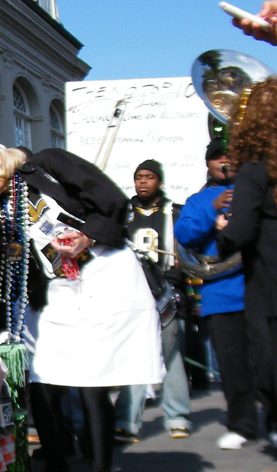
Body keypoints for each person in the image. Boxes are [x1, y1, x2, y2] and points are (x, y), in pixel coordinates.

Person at [0, 146, 162, 472]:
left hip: (100, 274)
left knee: (92, 381)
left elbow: (114, 202)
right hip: (55, 292)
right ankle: (56, 470)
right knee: (41, 381)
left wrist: (87, 236)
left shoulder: (47, 165)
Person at [174, 139, 266, 449]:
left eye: (231, 156)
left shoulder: (257, 188)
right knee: (232, 366)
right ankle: (242, 425)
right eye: (218, 157)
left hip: (260, 289)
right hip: (220, 294)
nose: (224, 161)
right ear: (209, 164)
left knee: (267, 362)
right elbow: (184, 235)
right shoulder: (199, 200)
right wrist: (212, 210)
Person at [216, 77, 277, 452]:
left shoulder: (255, 168)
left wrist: (223, 230)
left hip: (268, 282)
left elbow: (240, 230)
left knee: (266, 361)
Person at [115, 160, 193, 442]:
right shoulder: (123, 213)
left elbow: (187, 257)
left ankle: (177, 416)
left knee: (170, 355)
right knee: (135, 355)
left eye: (148, 177)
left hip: (166, 294)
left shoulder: (175, 213)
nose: (143, 182)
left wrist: (186, 294)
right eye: (138, 177)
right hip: (133, 293)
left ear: (159, 181)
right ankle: (126, 420)